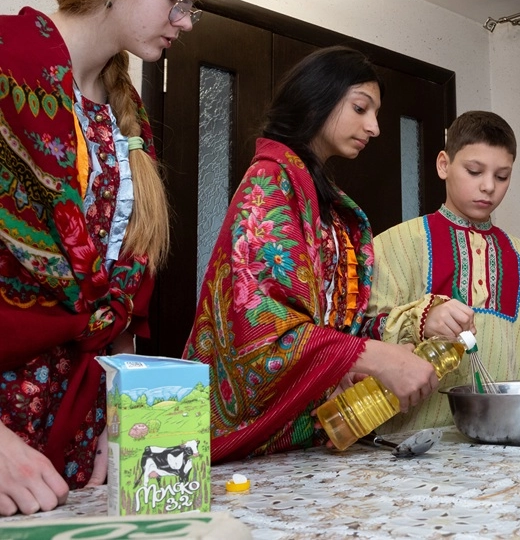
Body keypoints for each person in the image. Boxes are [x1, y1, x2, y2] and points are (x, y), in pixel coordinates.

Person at [0, 0, 210, 516]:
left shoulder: (127, 115)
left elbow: (120, 302)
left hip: (78, 450)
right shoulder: (6, 63)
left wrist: (123, 418)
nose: (186, 21)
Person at [183, 46, 439, 462]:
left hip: (298, 444)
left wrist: (390, 343)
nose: (374, 127)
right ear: (318, 98)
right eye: (360, 108)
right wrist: (374, 358)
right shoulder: (269, 182)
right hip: (246, 448)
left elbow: (331, 321)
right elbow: (261, 333)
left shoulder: (323, 200)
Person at [362, 111, 520, 433]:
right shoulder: (393, 245)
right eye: (474, 171)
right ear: (443, 165)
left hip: (505, 437)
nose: (488, 186)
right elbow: (361, 336)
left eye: (502, 176)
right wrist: (423, 320)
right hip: (410, 442)